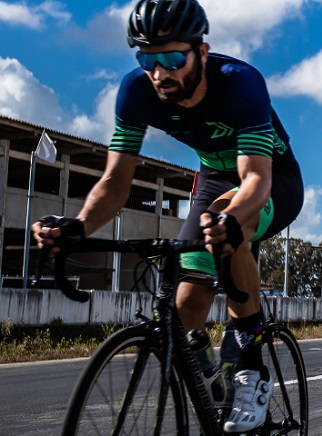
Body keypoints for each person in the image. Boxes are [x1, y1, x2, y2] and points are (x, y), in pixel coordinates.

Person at [31, 0, 304, 432]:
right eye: (147, 60)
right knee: (186, 304)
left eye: (173, 58)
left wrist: (231, 221)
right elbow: (115, 183)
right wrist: (78, 225)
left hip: (272, 178)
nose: (159, 73)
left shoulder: (240, 83)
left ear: (202, 51)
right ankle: (209, 382)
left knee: (228, 225)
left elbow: (254, 178)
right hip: (215, 179)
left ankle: (253, 370)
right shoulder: (135, 92)